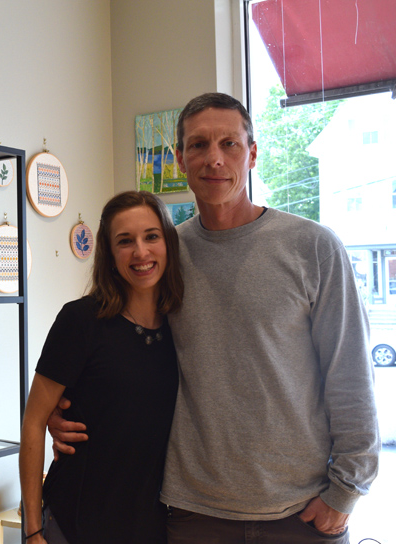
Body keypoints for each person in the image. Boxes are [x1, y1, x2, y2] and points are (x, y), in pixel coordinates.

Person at [48, 92, 379, 543]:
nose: (214, 159)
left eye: (230, 144)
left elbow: (351, 375)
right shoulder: (165, 257)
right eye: (199, 145)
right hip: (192, 513)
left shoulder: (313, 247)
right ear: (181, 159)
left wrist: (346, 490)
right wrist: (68, 410)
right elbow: (115, 342)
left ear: (253, 154)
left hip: (300, 512)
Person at [19, 191, 185, 543]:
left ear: (169, 243)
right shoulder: (81, 320)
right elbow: (34, 422)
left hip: (149, 525)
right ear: (109, 254)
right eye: (125, 241)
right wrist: (32, 529)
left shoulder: (182, 325)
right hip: (74, 521)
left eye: (151, 236)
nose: (140, 252)